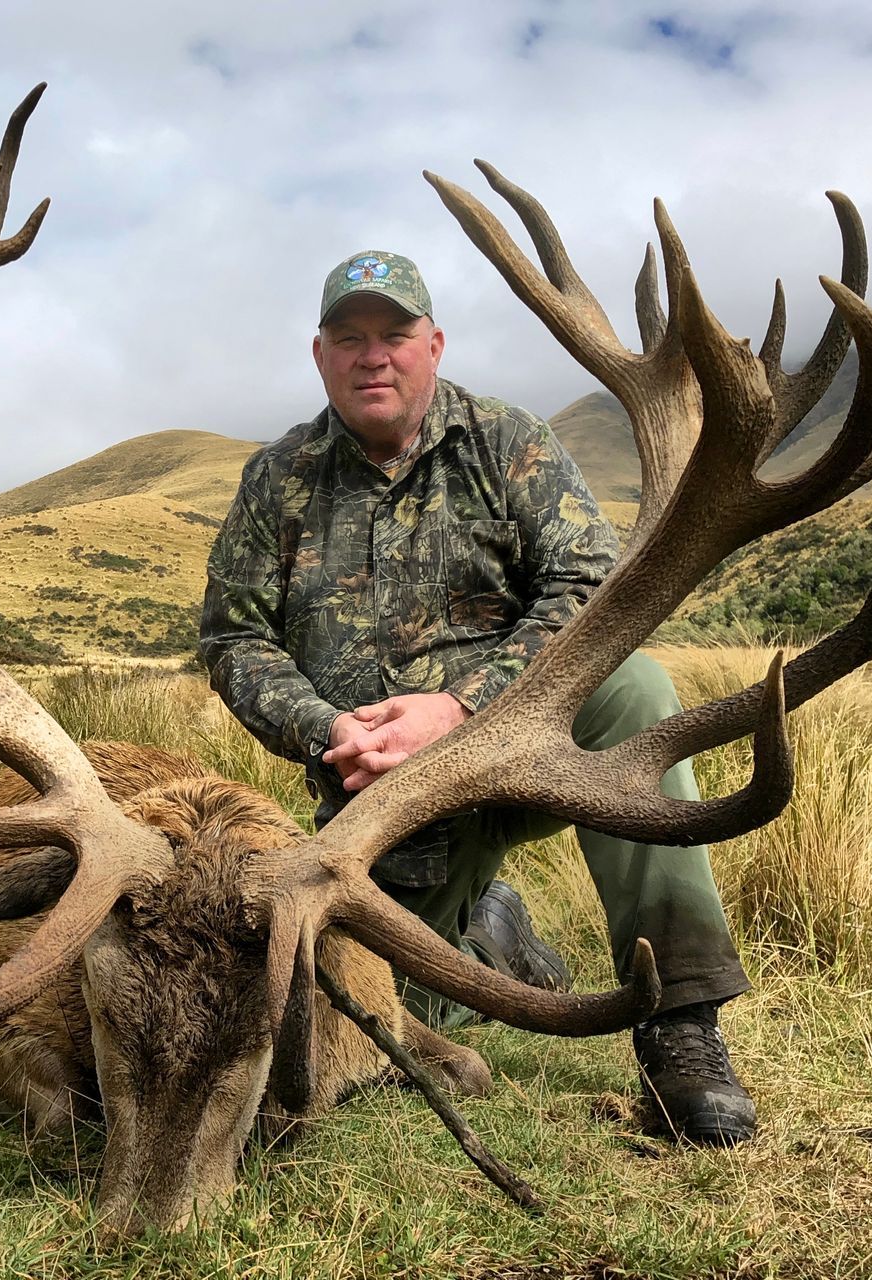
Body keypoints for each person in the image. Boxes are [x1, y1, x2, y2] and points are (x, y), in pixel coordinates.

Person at [197, 249, 758, 1145]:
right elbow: (233, 638)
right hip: (372, 797)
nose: (372, 356)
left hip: (524, 755)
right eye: (350, 338)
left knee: (636, 687)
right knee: (360, 1016)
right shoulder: (278, 480)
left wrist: (458, 709)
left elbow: (592, 593)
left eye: (394, 335)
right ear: (319, 355)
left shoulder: (511, 443)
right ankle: (489, 940)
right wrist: (330, 728)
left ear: (435, 344)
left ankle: (682, 1025)